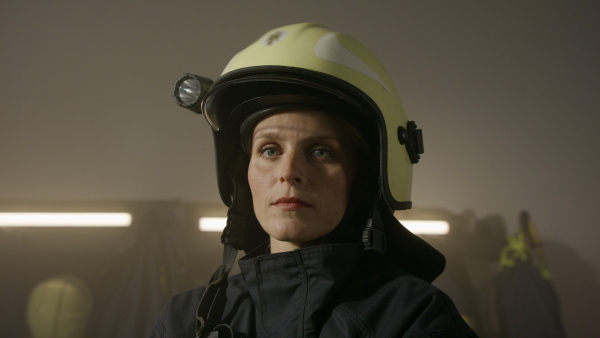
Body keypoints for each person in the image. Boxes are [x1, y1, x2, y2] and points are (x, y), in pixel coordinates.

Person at [151, 23, 477, 337]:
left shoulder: (414, 319)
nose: (289, 171)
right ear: (241, 173)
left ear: (363, 179)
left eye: (321, 152)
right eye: (269, 150)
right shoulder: (183, 322)